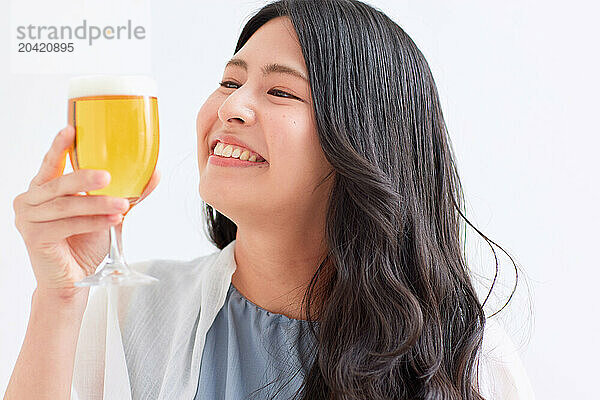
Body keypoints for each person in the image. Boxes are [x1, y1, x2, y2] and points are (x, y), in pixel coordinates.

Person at [5, 0, 535, 399]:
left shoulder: (462, 359)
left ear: (365, 143)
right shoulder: (128, 310)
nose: (230, 107)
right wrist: (60, 298)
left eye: (280, 91)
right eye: (228, 81)